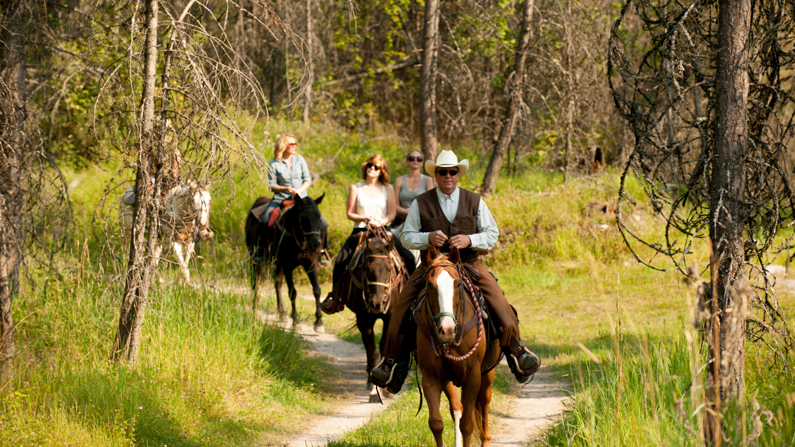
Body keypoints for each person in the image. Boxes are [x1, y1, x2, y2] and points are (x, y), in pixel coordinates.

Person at [369, 150, 541, 392]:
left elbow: (492, 234)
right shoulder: (421, 202)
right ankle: (392, 363)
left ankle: (517, 353)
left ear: (458, 174)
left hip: (469, 265)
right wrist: (427, 236)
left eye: (452, 171)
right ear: (436, 175)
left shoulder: (475, 200)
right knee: (400, 307)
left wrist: (470, 240)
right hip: (433, 266)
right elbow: (406, 236)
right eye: (442, 172)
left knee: (500, 302)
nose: (448, 176)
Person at [319, 154, 417, 314]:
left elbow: (391, 214)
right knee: (341, 260)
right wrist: (364, 218)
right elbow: (350, 213)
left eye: (376, 166)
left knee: (408, 257)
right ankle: (335, 298)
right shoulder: (356, 187)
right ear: (366, 167)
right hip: (360, 230)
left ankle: (413, 297)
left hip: (382, 231)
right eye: (370, 165)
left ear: (382, 171)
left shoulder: (388, 188)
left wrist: (381, 222)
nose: (372, 168)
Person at [257, 133, 330, 264]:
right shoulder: (274, 163)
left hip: (302, 199)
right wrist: (286, 189)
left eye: (295, 144)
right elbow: (271, 186)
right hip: (280, 198)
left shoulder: (299, 159)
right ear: (283, 145)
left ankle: (323, 252)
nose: (294, 146)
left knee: (323, 223)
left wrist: (299, 191)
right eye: (291, 144)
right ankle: (262, 252)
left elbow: (307, 180)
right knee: (266, 219)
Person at [390, 150, 435, 266]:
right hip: (400, 222)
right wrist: (405, 211)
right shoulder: (399, 181)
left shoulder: (427, 180)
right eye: (412, 158)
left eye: (419, 158)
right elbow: (394, 205)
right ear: (407, 162)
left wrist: (415, 212)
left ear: (422, 163)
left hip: (421, 221)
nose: (415, 160)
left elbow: (431, 204)